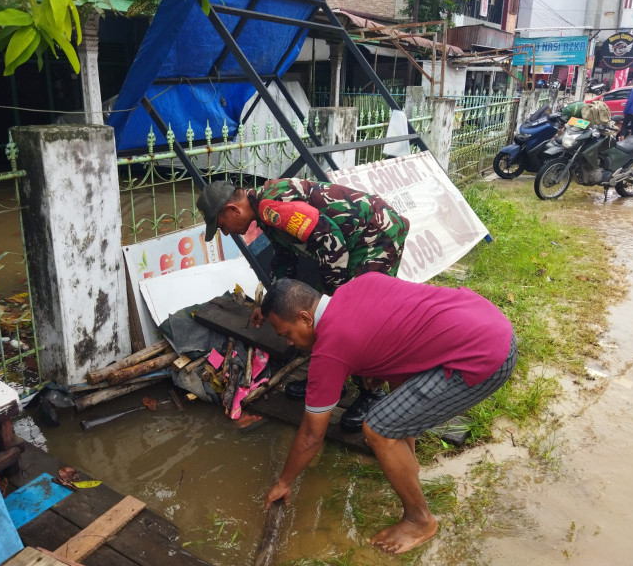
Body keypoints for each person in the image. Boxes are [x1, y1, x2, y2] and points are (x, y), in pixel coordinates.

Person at [261, 274, 517, 554]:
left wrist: (283, 482)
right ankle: (409, 465)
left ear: (305, 318)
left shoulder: (330, 348)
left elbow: (312, 434)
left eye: (286, 334)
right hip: (488, 319)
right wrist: (378, 367)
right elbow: (399, 324)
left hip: (486, 355)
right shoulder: (357, 285)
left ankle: (420, 520)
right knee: (395, 404)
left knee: (378, 429)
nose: (288, 342)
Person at [197, 179, 410, 431]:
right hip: (349, 245)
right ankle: (335, 378)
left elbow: (332, 243)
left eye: (222, 226)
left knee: (356, 317)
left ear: (233, 210)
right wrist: (268, 305)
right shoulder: (266, 214)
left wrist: (335, 300)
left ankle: (371, 394)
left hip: (376, 237)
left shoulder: (271, 206)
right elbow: (284, 258)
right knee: (327, 313)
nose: (226, 232)